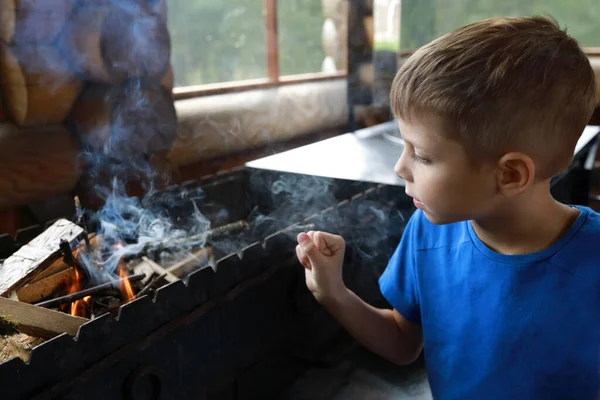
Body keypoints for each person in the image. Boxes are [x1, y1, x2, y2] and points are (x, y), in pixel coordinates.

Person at [295, 15, 600, 399]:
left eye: (421, 155)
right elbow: (403, 343)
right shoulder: (427, 232)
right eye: (401, 146)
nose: (400, 167)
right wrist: (333, 294)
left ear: (510, 175)